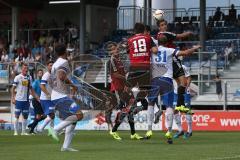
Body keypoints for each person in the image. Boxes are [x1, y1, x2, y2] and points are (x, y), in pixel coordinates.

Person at [147, 34, 200, 144]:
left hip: (155, 80)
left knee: (151, 103)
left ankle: (149, 129)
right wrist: (195, 48)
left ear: (158, 42)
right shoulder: (169, 50)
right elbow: (185, 53)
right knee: (169, 106)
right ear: (167, 43)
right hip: (167, 80)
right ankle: (169, 131)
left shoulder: (152, 50)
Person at [47, 44, 83, 152]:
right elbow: (62, 77)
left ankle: (65, 147)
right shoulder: (64, 62)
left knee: (73, 120)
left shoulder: (54, 64)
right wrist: (72, 85)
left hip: (57, 95)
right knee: (79, 115)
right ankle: (55, 130)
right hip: (60, 95)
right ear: (65, 52)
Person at [156, 19, 193, 114]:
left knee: (180, 83)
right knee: (183, 82)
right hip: (173, 59)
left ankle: (180, 105)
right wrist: (189, 32)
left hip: (166, 62)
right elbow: (180, 36)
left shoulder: (158, 36)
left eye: (165, 24)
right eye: (162, 25)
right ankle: (180, 105)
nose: (164, 26)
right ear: (159, 27)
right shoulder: (166, 34)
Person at [108, 42, 143, 140]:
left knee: (130, 108)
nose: (116, 50)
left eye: (116, 49)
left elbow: (122, 73)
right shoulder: (112, 60)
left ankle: (133, 133)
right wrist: (126, 79)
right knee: (125, 109)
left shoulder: (119, 60)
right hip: (118, 87)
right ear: (110, 52)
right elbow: (114, 75)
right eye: (113, 49)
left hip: (124, 87)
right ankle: (113, 130)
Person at [11, 63, 40, 136]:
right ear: (22, 69)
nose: (26, 70)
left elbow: (31, 89)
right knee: (17, 116)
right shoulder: (17, 77)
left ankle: (23, 132)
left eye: (27, 68)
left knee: (25, 116)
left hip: (26, 100)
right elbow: (13, 88)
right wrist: (13, 98)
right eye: (24, 68)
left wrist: (36, 97)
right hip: (18, 100)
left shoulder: (29, 77)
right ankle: (15, 132)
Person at [173, 65, 193, 139]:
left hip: (184, 92)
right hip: (175, 92)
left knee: (186, 110)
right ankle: (180, 130)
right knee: (175, 110)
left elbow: (189, 78)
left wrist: (186, 88)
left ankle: (190, 131)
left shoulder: (183, 67)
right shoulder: (169, 67)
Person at [38, 61, 55, 132]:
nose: (51, 67)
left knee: (52, 115)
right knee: (52, 115)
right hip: (45, 99)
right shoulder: (46, 75)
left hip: (51, 98)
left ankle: (52, 130)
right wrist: (48, 94)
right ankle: (40, 128)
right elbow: (42, 86)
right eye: (50, 65)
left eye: (52, 65)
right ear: (47, 67)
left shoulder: (54, 75)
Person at [28, 69, 45, 134]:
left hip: (42, 100)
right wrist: (37, 97)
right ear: (37, 74)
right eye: (39, 73)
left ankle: (31, 126)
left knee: (44, 116)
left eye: (42, 73)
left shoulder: (43, 82)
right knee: (38, 116)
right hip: (36, 100)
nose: (41, 74)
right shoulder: (36, 82)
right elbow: (31, 91)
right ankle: (31, 129)